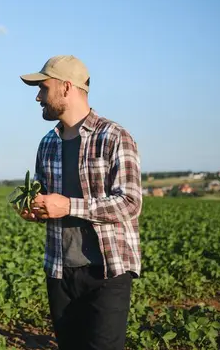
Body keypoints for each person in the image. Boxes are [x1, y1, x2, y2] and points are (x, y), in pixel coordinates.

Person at [18, 55, 142, 350]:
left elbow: (130, 203)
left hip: (108, 271)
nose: (38, 97)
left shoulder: (114, 136)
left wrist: (69, 206)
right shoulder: (48, 143)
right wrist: (35, 209)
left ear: (66, 87)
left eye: (43, 88)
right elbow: (45, 194)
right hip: (60, 269)